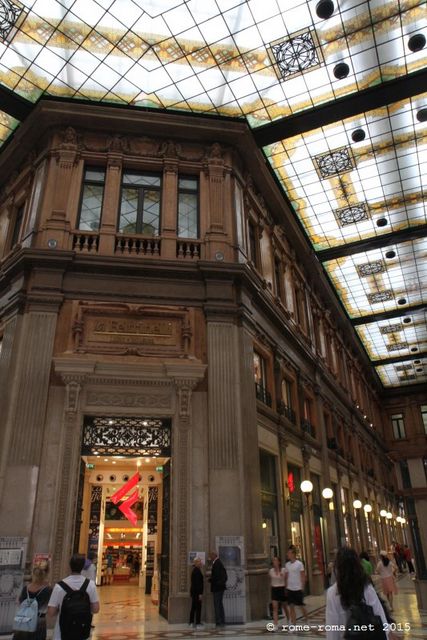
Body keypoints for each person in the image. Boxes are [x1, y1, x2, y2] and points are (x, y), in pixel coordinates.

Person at [326, 547, 389, 640]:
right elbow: (379, 613)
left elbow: (332, 625)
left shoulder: (333, 592)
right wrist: (386, 634)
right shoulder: (366, 587)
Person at [47, 554, 99, 640]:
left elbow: (51, 612)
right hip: (82, 631)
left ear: (70, 566)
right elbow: (96, 609)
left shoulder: (59, 586)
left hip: (62, 632)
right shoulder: (90, 585)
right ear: (82, 567)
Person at [13, 564, 52, 640]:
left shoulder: (26, 588)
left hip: (24, 622)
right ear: (44, 576)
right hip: (39, 623)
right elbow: (49, 607)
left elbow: (19, 602)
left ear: (33, 575)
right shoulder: (48, 590)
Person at [284, 547, 307, 624]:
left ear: (293, 554)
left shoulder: (299, 564)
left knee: (301, 606)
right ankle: (293, 624)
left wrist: (302, 586)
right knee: (291, 607)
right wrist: (286, 587)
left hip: (298, 588)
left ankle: (307, 619)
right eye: (288, 553)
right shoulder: (287, 565)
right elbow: (286, 577)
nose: (288, 555)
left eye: (289, 553)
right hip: (290, 588)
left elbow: (303, 576)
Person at [269, 556, 289, 631]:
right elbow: (271, 581)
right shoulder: (271, 571)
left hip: (282, 588)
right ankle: (275, 624)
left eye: (276, 560)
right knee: (275, 608)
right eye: (273, 561)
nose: (275, 562)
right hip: (274, 589)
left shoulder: (283, 570)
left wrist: (286, 589)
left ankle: (289, 621)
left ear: (279, 562)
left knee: (285, 607)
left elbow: (286, 579)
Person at [208, 550, 227, 628]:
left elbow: (216, 576)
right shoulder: (218, 562)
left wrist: (210, 580)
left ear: (214, 555)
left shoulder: (217, 563)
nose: (210, 558)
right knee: (220, 604)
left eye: (210, 556)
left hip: (217, 587)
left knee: (217, 605)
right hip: (220, 587)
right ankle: (222, 621)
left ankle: (219, 622)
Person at [189, 557, 204, 629]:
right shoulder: (197, 571)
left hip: (194, 592)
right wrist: (200, 594)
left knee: (194, 607)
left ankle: (191, 622)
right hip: (197, 593)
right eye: (200, 562)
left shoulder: (196, 570)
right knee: (198, 607)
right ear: (196, 563)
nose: (201, 563)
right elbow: (198, 584)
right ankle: (197, 622)